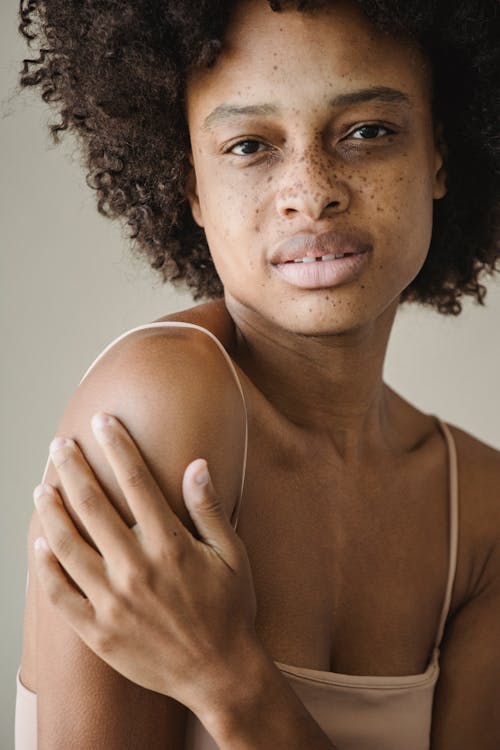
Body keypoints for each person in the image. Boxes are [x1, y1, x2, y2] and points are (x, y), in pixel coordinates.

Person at [15, 0, 500, 748]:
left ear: (438, 153)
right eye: (248, 145)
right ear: (191, 187)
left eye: (367, 132)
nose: (312, 191)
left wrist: (230, 681)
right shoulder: (163, 402)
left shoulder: (483, 513)